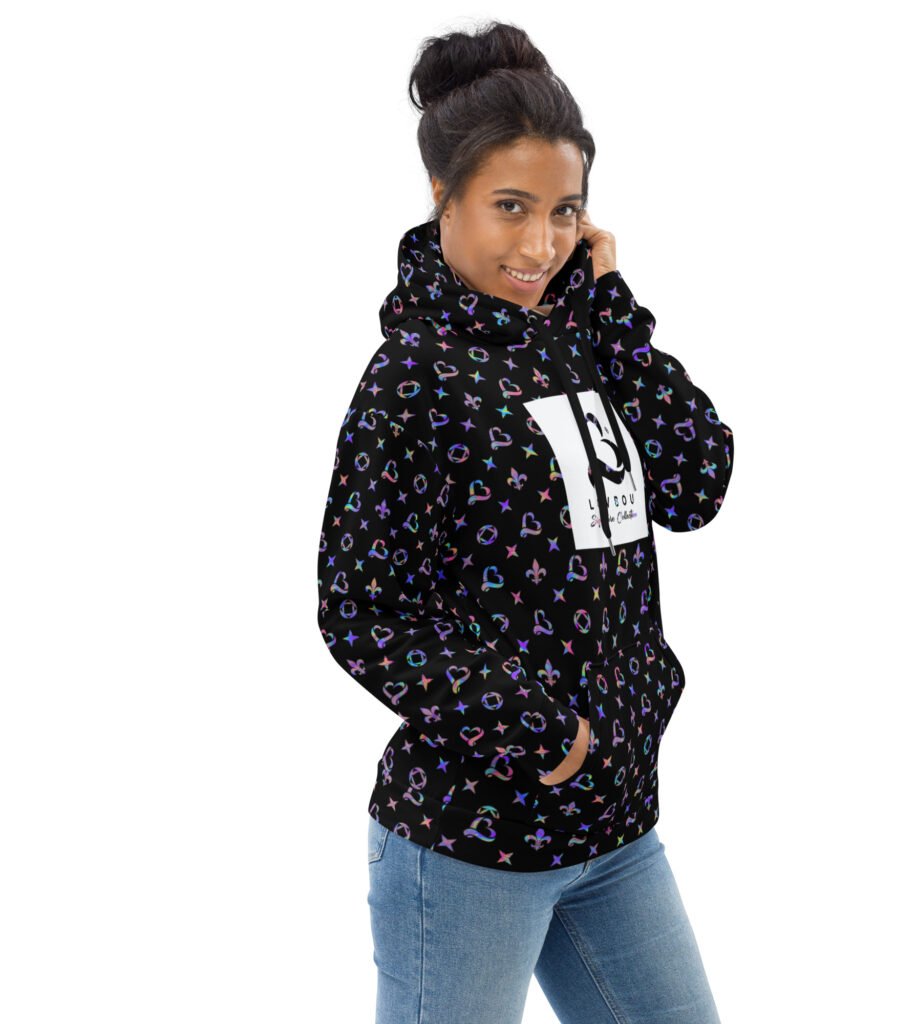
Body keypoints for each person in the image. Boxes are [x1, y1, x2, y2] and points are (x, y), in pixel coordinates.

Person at [315, 20, 735, 1024]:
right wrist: (544, 735)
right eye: (511, 207)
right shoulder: (412, 378)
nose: (540, 244)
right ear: (443, 196)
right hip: (472, 844)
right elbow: (360, 610)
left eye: (564, 211)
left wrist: (612, 308)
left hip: (616, 833)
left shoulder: (582, 337)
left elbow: (696, 485)